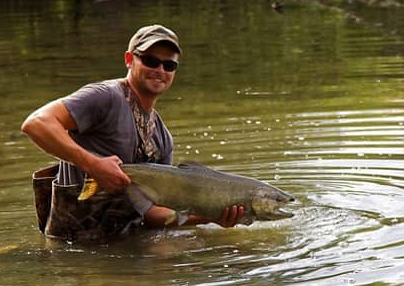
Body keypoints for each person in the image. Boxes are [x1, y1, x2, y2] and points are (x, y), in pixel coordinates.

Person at [22, 24, 244, 242]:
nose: (160, 70)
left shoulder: (162, 138)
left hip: (123, 244)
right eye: (150, 61)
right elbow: (36, 123)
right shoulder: (105, 97)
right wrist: (93, 165)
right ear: (129, 59)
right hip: (70, 248)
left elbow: (153, 214)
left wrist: (208, 217)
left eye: (169, 65)